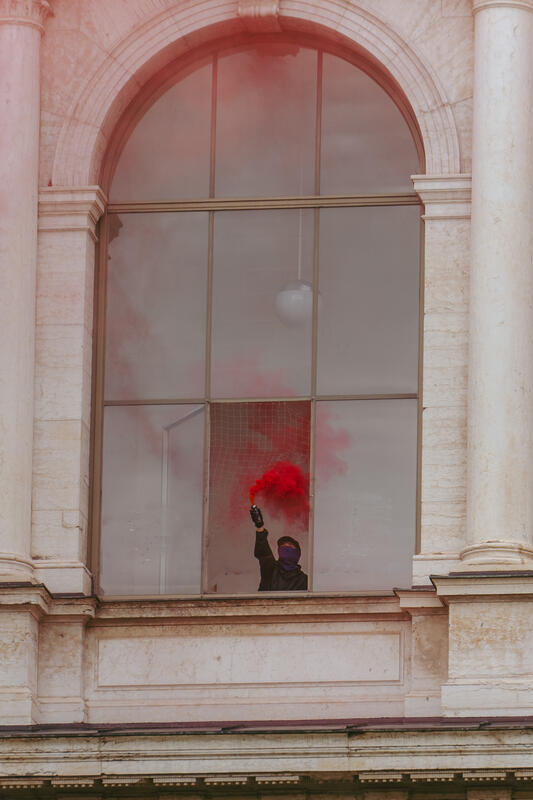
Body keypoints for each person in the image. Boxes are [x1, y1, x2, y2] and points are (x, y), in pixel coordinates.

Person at [249, 505, 308, 591]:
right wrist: (259, 526)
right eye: (283, 546)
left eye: (290, 546)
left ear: (297, 554)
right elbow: (263, 552)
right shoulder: (271, 569)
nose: (286, 548)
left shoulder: (303, 580)